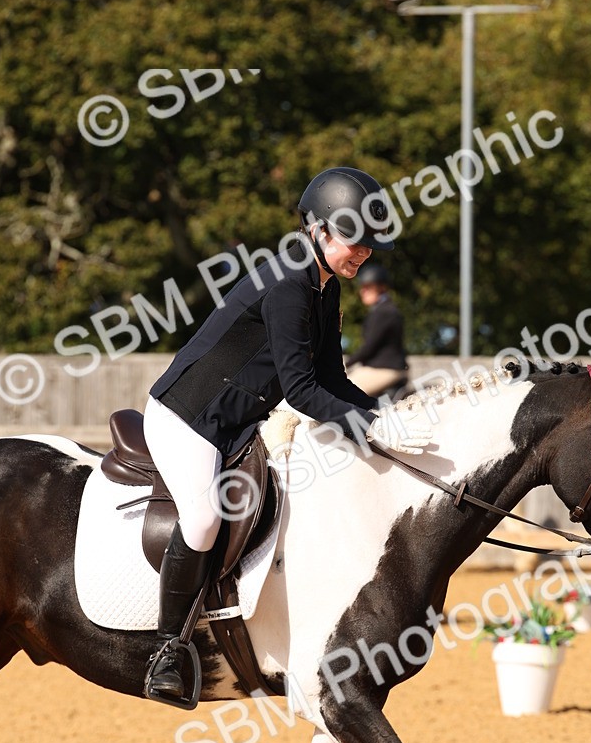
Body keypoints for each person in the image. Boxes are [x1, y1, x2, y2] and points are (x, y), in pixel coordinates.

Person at [142, 166, 432, 701]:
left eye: (369, 244)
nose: (364, 252)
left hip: (235, 426)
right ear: (318, 230)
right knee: (203, 518)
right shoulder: (289, 283)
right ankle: (167, 650)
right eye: (355, 240)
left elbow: (332, 379)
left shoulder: (324, 286)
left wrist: (387, 416)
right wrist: (370, 424)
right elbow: (300, 391)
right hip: (188, 418)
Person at [345, 262, 408, 399]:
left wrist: (345, 363)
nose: (362, 291)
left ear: (382, 287)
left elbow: (369, 347)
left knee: (342, 391)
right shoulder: (383, 309)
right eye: (362, 287)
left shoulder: (384, 312)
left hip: (386, 369)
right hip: (380, 367)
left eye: (368, 287)